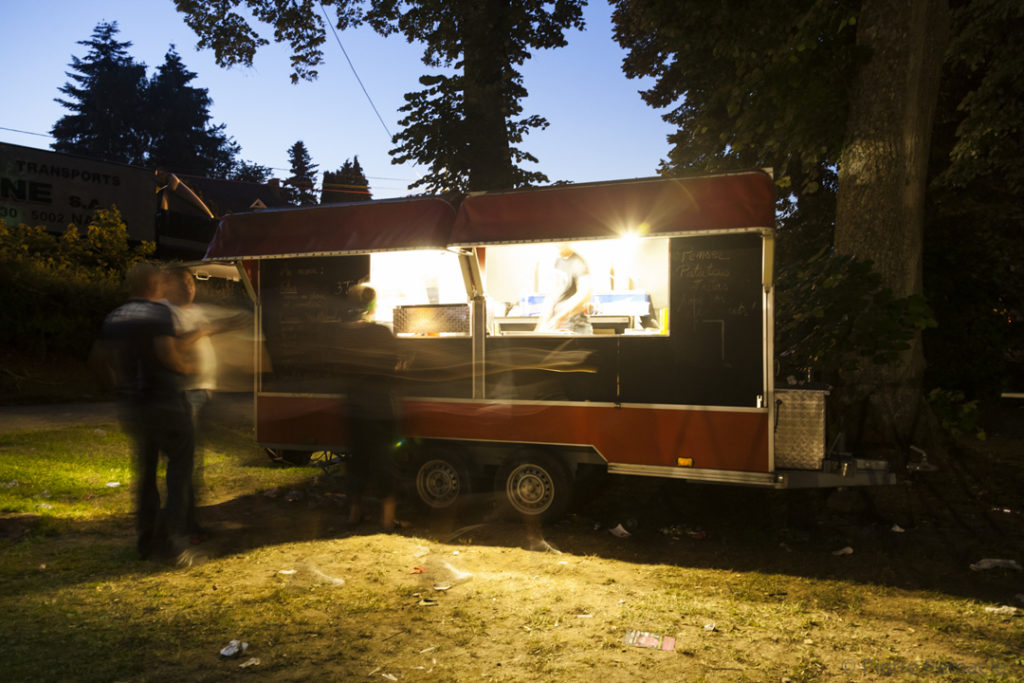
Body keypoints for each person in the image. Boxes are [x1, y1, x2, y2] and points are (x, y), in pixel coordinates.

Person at [92, 262, 197, 562]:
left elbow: (98, 359)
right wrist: (186, 368)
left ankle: (146, 541)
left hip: (134, 406)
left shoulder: (115, 316)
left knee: (146, 473)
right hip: (165, 401)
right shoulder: (158, 313)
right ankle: (171, 541)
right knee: (179, 469)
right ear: (153, 285)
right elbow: (166, 353)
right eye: (161, 282)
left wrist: (118, 389)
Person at [337, 284, 407, 531]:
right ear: (373, 305)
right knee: (385, 461)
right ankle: (388, 519)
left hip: (354, 407)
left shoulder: (342, 334)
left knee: (357, 461)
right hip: (380, 407)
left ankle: (354, 514)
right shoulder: (381, 333)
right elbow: (394, 367)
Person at [535, 242, 593, 334]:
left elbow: (585, 294)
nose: (557, 244)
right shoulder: (558, 262)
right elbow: (552, 296)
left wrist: (562, 316)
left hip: (575, 327)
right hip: (559, 327)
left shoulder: (578, 263)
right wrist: (541, 325)